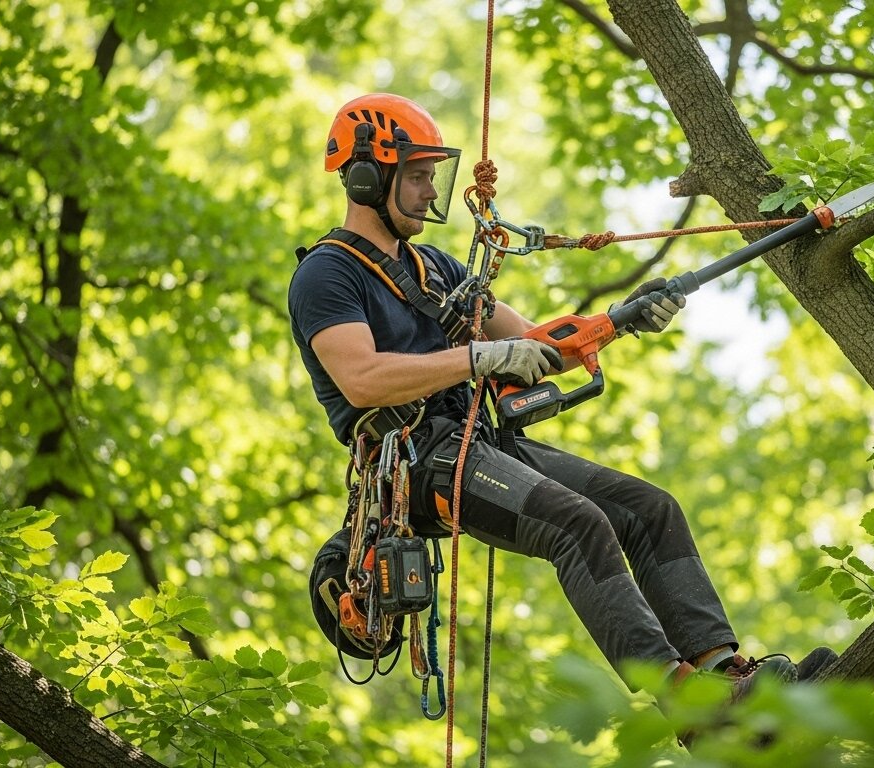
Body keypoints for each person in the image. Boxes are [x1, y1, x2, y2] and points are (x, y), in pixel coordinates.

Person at [290, 93, 827, 713]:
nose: (429, 190)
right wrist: (478, 359)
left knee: (648, 509)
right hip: (415, 462)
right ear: (365, 176)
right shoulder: (327, 275)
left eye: (431, 176)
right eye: (415, 176)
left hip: (478, 443)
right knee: (576, 524)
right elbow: (362, 379)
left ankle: (723, 672)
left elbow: (529, 343)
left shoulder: (434, 267)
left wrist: (622, 321)